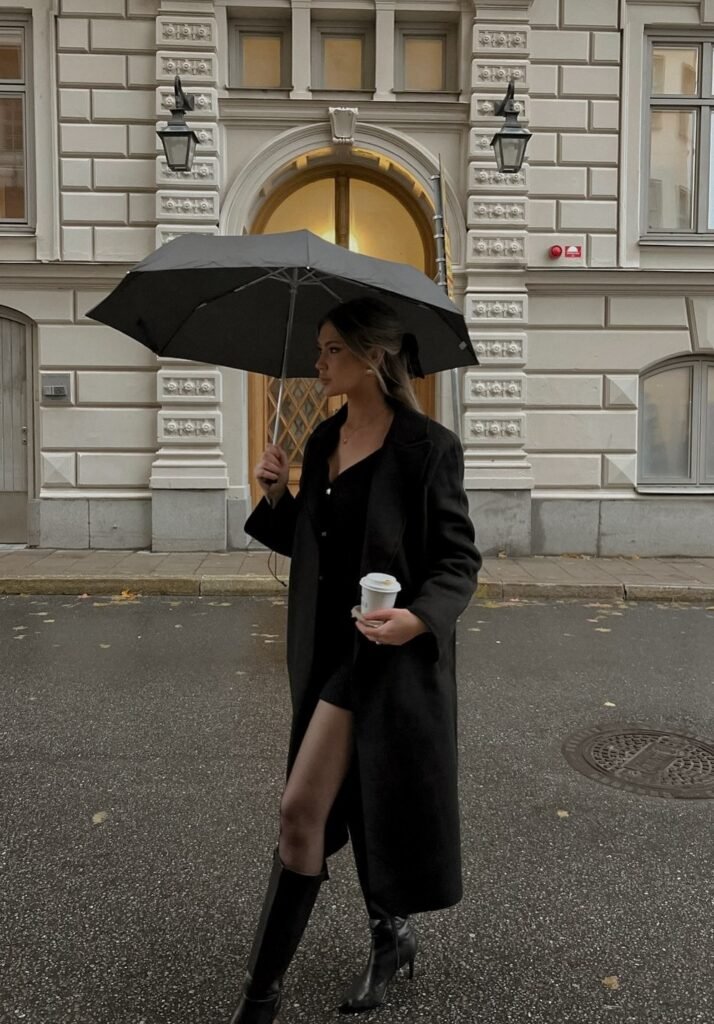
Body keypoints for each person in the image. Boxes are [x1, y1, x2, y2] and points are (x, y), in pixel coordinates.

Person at [231, 296, 481, 1024]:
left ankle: (260, 997)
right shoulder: (323, 442)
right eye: (318, 350)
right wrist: (276, 496)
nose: (319, 363)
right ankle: (390, 936)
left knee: (302, 808)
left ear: (373, 355)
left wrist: (418, 620)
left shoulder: (429, 448)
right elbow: (317, 551)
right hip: (325, 653)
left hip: (385, 657)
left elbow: (459, 561)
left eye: (332, 350)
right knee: (354, 804)